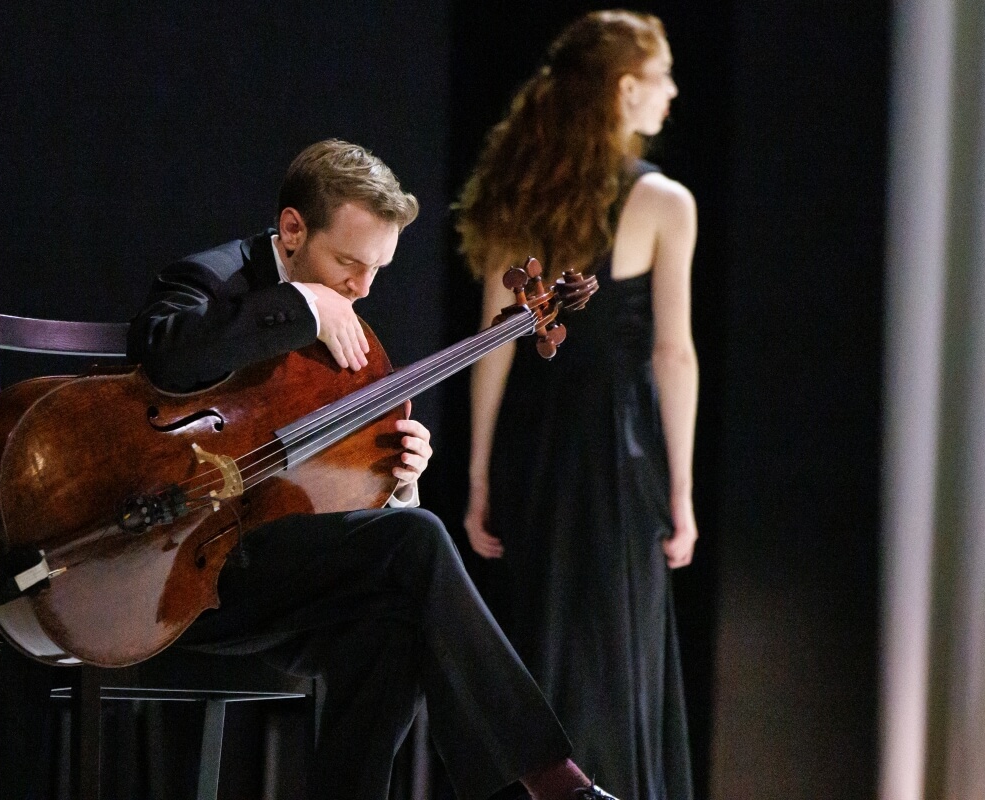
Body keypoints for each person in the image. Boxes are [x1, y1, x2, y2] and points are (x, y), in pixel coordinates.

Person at [128, 139, 613, 800]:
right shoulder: (212, 278)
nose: (361, 288)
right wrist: (302, 306)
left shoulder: (348, 325)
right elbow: (163, 354)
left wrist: (397, 481)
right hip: (171, 569)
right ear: (293, 229)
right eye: (348, 263)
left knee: (394, 622)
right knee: (418, 544)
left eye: (378, 269)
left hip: (274, 578)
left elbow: (321, 499)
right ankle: (554, 781)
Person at [454, 10, 698, 800]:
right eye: (661, 77)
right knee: (616, 657)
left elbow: (492, 344)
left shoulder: (520, 195)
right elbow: (673, 354)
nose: (672, 93)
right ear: (625, 89)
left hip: (535, 444)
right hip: (617, 454)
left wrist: (479, 475)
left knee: (540, 645)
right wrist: (682, 492)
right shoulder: (664, 202)